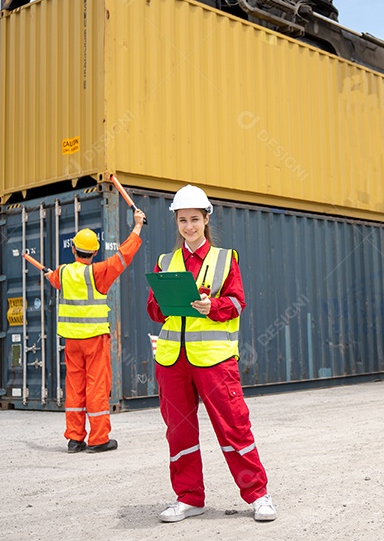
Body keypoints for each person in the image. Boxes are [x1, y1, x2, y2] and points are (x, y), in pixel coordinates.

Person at [147, 184, 276, 523]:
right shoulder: (165, 262)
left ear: (206, 220)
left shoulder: (225, 258)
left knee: (233, 426)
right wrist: (161, 303)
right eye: (182, 220)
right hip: (173, 360)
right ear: (176, 222)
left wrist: (211, 305)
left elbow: (237, 303)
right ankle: (189, 498)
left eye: (194, 219)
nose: (188, 226)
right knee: (179, 431)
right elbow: (154, 309)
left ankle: (259, 495)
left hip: (215, 360)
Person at [44, 207, 146, 453]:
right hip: (95, 341)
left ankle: (75, 439)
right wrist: (137, 226)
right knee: (96, 386)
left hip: (72, 342)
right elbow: (123, 256)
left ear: (73, 249)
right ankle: (99, 439)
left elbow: (53, 277)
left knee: (75, 387)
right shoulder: (98, 272)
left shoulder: (63, 273)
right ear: (96, 252)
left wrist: (49, 275)